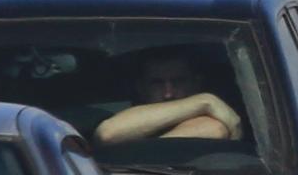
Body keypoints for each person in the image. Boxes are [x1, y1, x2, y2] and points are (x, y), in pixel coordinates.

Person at [96, 47, 244, 146]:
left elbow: (214, 130)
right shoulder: (125, 118)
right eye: (157, 83)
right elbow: (107, 134)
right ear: (140, 87)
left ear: (196, 83)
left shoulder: (213, 119)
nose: (169, 93)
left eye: (178, 81)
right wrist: (205, 101)